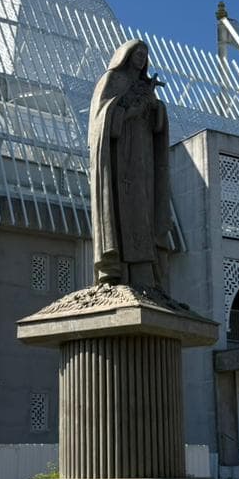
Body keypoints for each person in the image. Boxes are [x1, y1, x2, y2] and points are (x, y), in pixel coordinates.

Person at [88, 39, 169, 290]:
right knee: (122, 209)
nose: (141, 57)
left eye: (145, 54)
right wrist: (129, 110)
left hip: (143, 157)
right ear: (126, 55)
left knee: (143, 209)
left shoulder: (146, 86)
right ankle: (117, 271)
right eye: (137, 52)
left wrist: (155, 107)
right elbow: (101, 121)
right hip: (120, 160)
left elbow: (157, 126)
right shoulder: (112, 80)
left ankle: (144, 275)